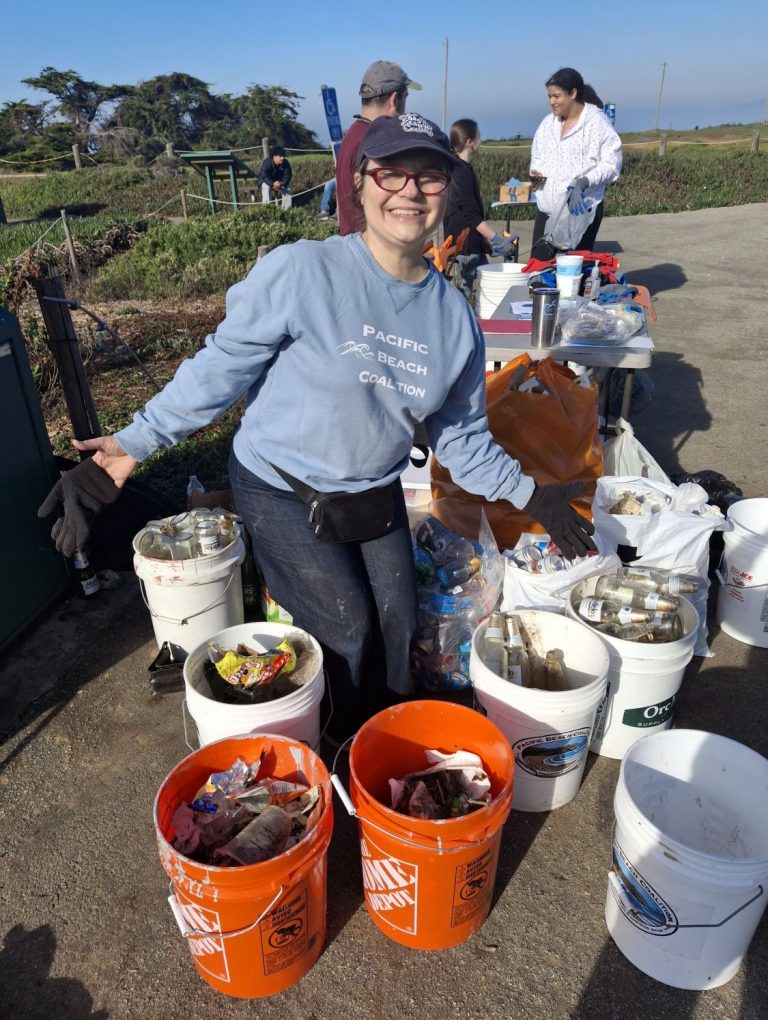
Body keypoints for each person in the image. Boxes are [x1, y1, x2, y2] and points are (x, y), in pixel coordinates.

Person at [38, 113, 595, 739]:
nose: (409, 191)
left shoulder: (454, 320)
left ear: (449, 190)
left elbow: (462, 441)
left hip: (371, 487)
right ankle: (332, 749)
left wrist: (535, 495)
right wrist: (125, 450)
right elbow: (220, 370)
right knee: (346, 623)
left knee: (397, 620)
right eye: (391, 173)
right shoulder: (304, 271)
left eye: (429, 176)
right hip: (280, 483)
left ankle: (381, 743)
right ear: (361, 184)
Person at [529, 67, 622, 260]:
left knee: (570, 276)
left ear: (573, 93)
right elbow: (537, 156)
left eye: (557, 96)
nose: (552, 101)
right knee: (538, 273)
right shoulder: (547, 124)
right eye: (549, 96)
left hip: (579, 212)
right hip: (548, 210)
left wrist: (583, 182)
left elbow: (612, 164)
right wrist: (536, 174)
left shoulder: (597, 122)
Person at [335, 60, 421, 235]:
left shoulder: (353, 133)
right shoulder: (377, 142)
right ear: (395, 99)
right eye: (406, 97)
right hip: (372, 248)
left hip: (352, 242)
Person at [442, 118, 516, 297]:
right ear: (469, 142)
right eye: (479, 137)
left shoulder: (461, 167)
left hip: (472, 244)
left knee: (487, 291)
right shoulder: (460, 171)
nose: (481, 141)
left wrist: (488, 246)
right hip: (464, 248)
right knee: (465, 295)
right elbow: (471, 215)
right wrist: (498, 239)